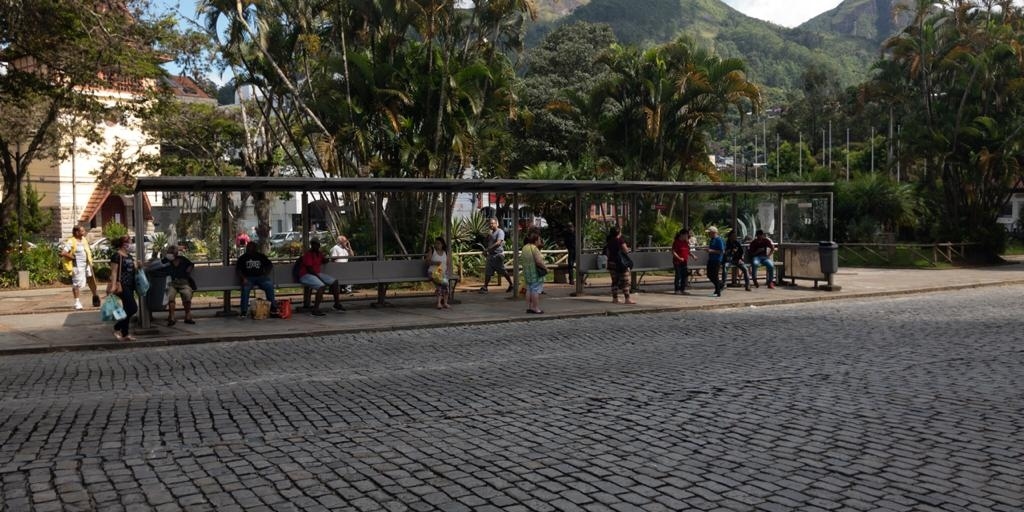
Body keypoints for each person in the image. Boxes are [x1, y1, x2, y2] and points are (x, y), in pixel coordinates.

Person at [298, 240, 344, 316]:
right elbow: (309, 269)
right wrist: (319, 278)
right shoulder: (308, 254)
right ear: (312, 245)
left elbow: (324, 260)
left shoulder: (319, 254)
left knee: (335, 282)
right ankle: (315, 310)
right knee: (321, 286)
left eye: (317, 245)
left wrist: (326, 260)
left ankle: (337, 304)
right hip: (306, 275)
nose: (316, 246)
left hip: (317, 273)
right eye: (314, 245)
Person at [60, 225, 100, 310]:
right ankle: (77, 302)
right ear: (77, 232)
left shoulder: (84, 240)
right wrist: (72, 257)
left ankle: (95, 295)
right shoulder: (71, 241)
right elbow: (63, 253)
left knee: (91, 279)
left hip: (86, 264)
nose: (84, 232)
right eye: (82, 231)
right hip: (77, 266)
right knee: (77, 284)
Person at [106, 235, 138, 341]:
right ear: (124, 244)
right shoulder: (117, 256)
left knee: (127, 309)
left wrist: (139, 265)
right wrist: (113, 285)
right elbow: (114, 272)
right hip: (122, 285)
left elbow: (133, 268)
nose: (131, 244)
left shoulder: (129, 256)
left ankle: (125, 333)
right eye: (130, 242)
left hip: (130, 285)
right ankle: (117, 327)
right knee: (133, 308)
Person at [236, 241, 276, 318]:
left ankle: (273, 308)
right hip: (248, 278)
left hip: (261, 277)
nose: (250, 248)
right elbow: (238, 270)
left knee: (269, 285)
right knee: (245, 288)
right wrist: (243, 278)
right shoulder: (243, 258)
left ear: (255, 248)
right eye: (249, 247)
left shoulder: (260, 256)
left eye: (252, 247)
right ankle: (244, 311)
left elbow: (269, 265)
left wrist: (266, 274)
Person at [161, 245, 196, 326]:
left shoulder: (183, 259)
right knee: (170, 296)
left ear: (175, 253)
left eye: (171, 253)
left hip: (183, 283)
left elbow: (191, 264)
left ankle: (188, 316)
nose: (169, 254)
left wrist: (188, 270)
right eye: (168, 252)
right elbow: (159, 266)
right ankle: (172, 317)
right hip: (172, 283)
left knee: (187, 295)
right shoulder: (166, 260)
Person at [479, 217, 513, 293]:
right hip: (491, 255)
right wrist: (487, 237)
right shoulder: (491, 233)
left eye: (492, 223)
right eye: (489, 224)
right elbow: (487, 242)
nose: (491, 225)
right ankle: (485, 287)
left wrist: (487, 249)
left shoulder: (500, 232)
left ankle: (511, 284)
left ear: (496, 223)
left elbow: (498, 243)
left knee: (502, 271)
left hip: (498, 255)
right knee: (488, 271)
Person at [604, 226, 635, 304]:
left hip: (611, 264)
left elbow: (607, 253)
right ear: (619, 232)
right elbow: (626, 250)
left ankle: (615, 299)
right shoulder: (620, 240)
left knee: (614, 281)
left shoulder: (609, 241)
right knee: (625, 281)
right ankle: (627, 299)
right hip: (621, 264)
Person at [520, 229, 548, 314]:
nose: (540, 240)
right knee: (535, 290)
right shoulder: (534, 248)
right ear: (535, 240)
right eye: (539, 239)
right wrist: (545, 268)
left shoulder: (525, 247)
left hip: (527, 272)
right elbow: (538, 261)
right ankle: (535, 308)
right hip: (535, 273)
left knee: (529, 289)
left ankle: (529, 307)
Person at [425, 237, 452, 310]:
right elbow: (427, 261)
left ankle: (445, 302)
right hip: (433, 272)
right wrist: (435, 263)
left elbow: (448, 263)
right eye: (436, 243)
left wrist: (447, 271)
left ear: (442, 244)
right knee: (440, 284)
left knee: (446, 285)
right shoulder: (432, 251)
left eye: (438, 243)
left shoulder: (445, 252)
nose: (437, 245)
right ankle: (439, 303)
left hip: (442, 272)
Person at [706, 226, 725, 297]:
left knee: (715, 275)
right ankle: (720, 285)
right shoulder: (712, 240)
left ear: (713, 233)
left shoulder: (719, 240)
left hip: (716, 260)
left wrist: (711, 251)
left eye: (710, 233)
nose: (709, 234)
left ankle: (718, 290)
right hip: (711, 259)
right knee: (709, 275)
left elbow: (722, 251)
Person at [671, 228, 691, 295]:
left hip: (684, 261)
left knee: (684, 275)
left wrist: (693, 256)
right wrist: (679, 258)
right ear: (682, 235)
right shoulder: (676, 242)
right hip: (677, 262)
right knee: (678, 275)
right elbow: (673, 252)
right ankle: (677, 289)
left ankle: (682, 289)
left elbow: (687, 251)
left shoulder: (685, 242)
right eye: (686, 235)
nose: (687, 236)